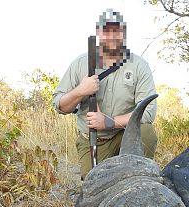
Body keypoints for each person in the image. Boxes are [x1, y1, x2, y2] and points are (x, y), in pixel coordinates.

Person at [53, 9, 157, 180]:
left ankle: (137, 181)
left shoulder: (139, 65)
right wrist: (81, 91)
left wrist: (109, 122)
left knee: (145, 132)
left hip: (124, 134)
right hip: (93, 139)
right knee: (94, 185)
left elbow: (147, 112)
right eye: (106, 31)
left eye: (117, 30)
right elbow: (60, 106)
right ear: (99, 33)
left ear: (123, 33)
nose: (112, 36)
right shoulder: (80, 63)